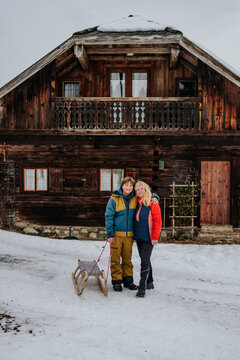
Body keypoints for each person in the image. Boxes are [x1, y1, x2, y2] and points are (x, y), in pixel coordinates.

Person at [105, 176, 138, 291]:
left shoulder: (135, 197)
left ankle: (128, 281)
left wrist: (155, 197)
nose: (128, 187)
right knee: (115, 259)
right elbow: (109, 216)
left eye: (130, 185)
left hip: (129, 235)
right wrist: (110, 234)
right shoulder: (114, 198)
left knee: (127, 259)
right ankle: (117, 281)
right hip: (116, 235)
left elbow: (146, 194)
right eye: (126, 185)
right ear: (122, 186)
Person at [133, 180, 162, 298]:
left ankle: (142, 287)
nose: (139, 191)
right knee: (146, 259)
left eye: (141, 189)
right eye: (137, 189)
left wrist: (155, 237)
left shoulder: (153, 203)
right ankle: (150, 282)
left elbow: (158, 221)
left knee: (144, 262)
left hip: (149, 237)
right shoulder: (137, 201)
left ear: (146, 190)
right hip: (139, 236)